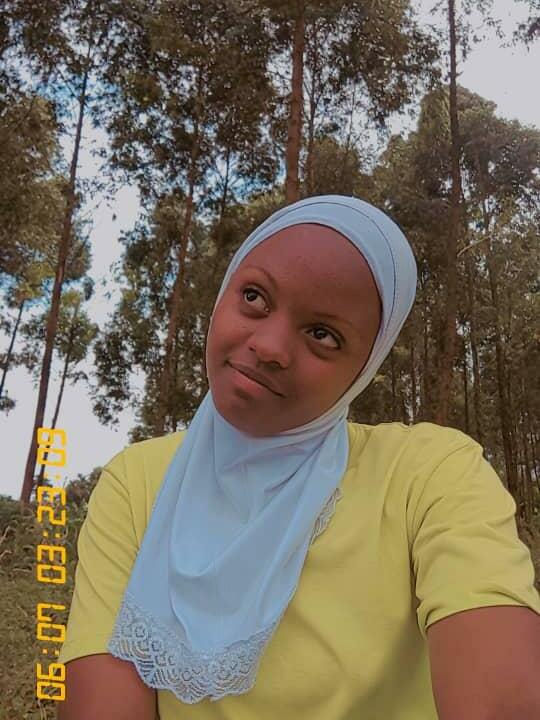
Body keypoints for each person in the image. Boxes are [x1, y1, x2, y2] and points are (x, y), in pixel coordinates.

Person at [57, 195, 540, 720]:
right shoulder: (137, 482)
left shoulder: (429, 474)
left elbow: (502, 698)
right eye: (254, 297)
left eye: (323, 334)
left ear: (363, 368)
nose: (269, 346)